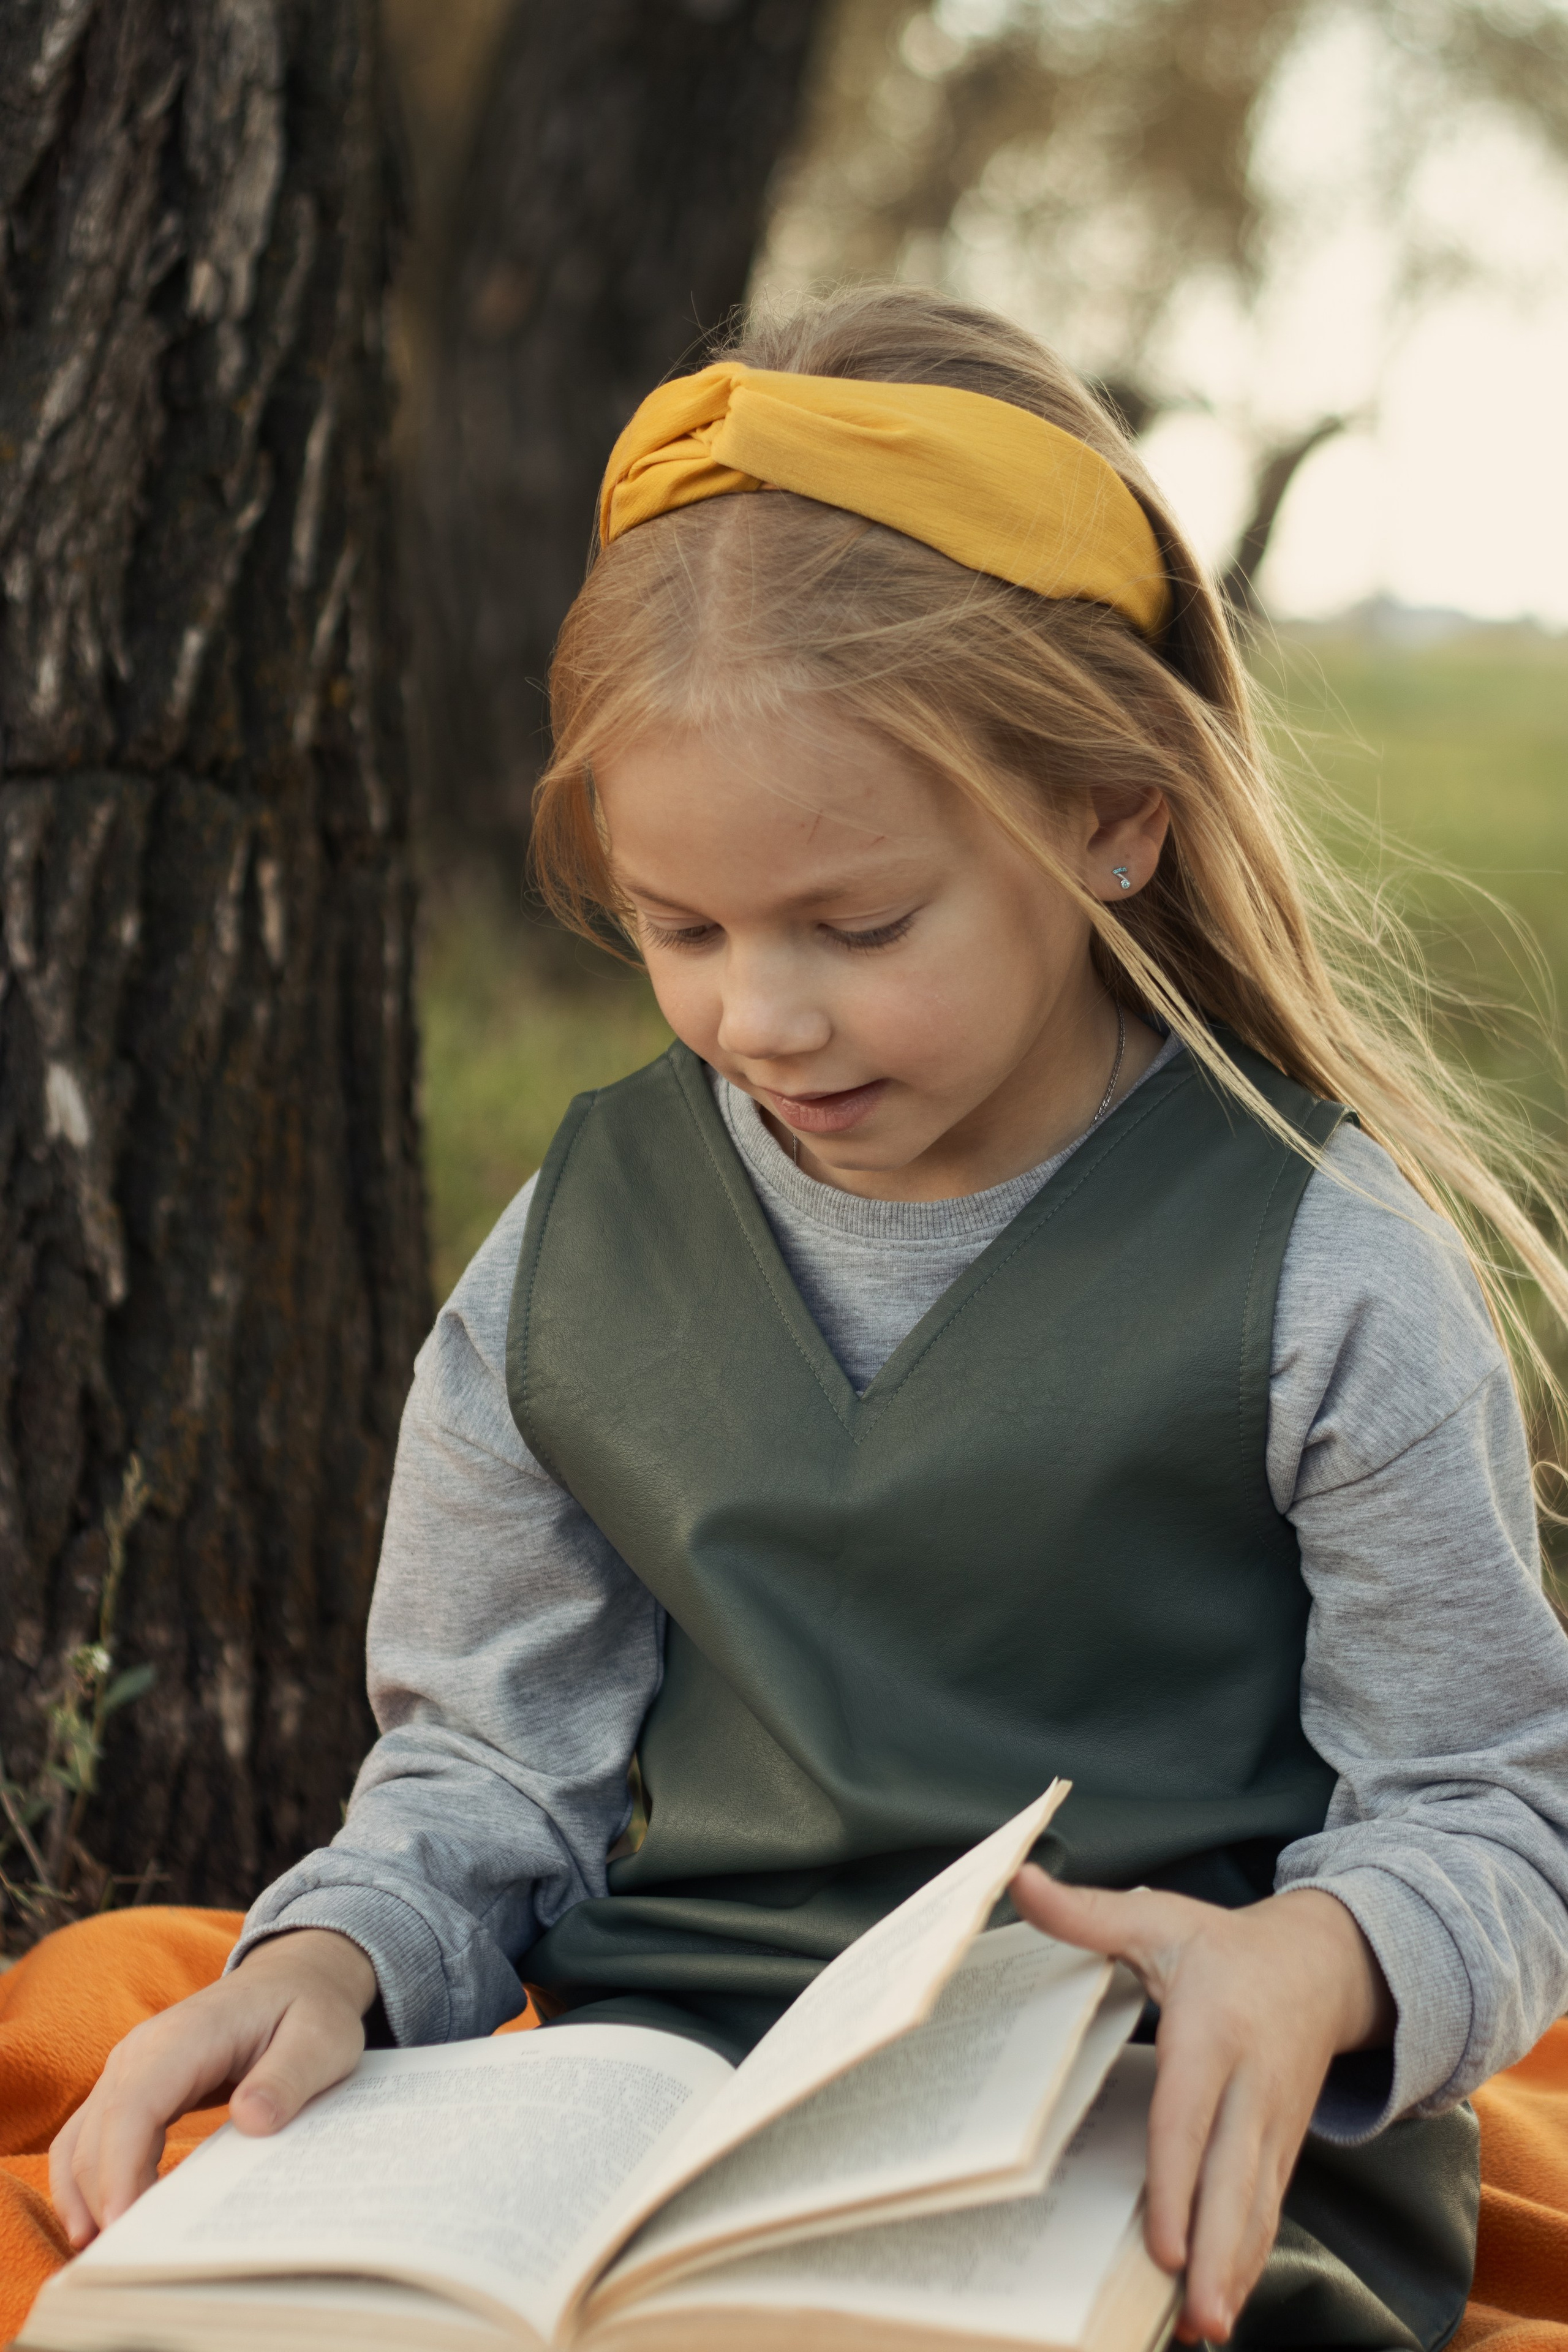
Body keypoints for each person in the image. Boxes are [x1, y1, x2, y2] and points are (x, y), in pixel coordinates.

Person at [46, 287, 1568, 2347]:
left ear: (1118, 813)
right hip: (658, 2127)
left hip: (1164, 2144)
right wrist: (330, 1963)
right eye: (680, 929)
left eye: (859, 926)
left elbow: (1495, 1802)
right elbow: (488, 1777)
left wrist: (1320, 1958)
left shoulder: (1322, 1267)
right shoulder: (579, 1252)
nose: (761, 1017)